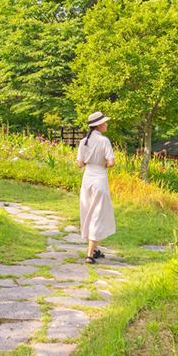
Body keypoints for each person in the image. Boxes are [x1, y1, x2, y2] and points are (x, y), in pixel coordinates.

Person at [76, 111, 116, 264]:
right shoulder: (104, 141)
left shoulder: (83, 141)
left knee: (88, 211)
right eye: (105, 122)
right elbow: (111, 163)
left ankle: (95, 249)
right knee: (97, 214)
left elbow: (80, 164)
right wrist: (103, 164)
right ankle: (89, 255)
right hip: (99, 178)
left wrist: (90, 161)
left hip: (87, 179)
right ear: (99, 125)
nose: (106, 124)